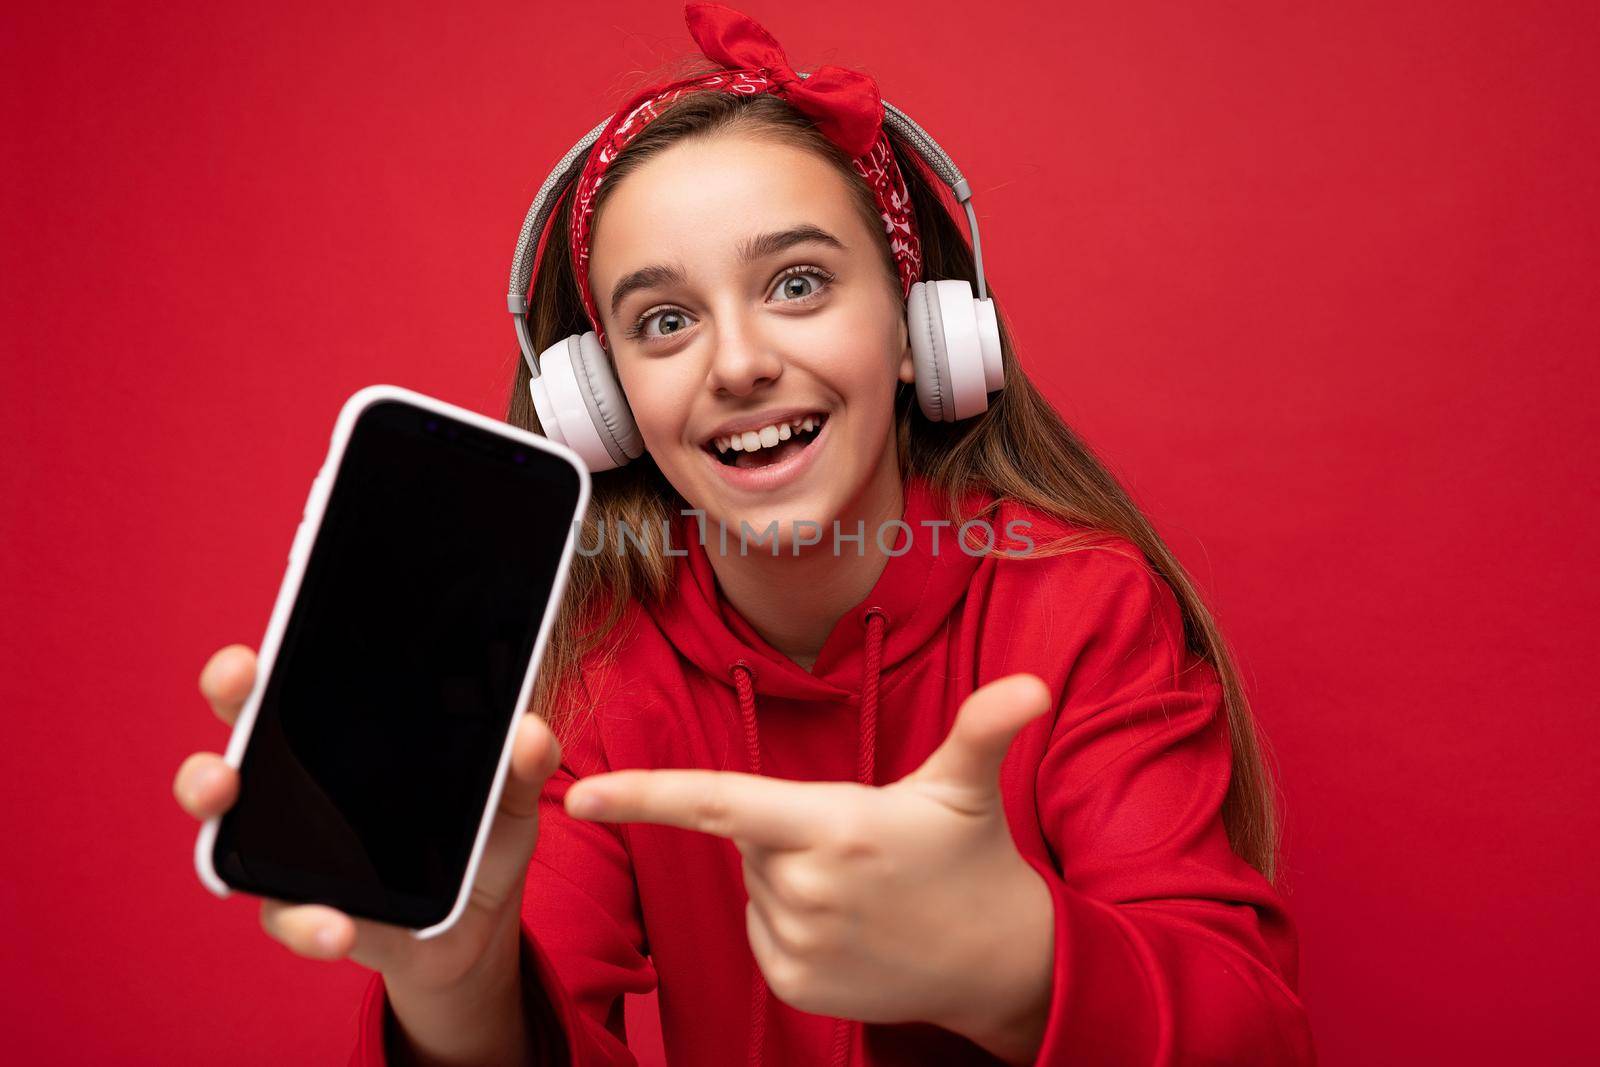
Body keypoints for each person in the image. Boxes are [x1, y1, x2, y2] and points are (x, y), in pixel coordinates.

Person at [173, 3, 1316, 1064]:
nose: (736, 362)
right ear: (603, 403)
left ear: (923, 329)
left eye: (800, 283)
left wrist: (1014, 958)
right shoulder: (596, 672)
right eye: (664, 320)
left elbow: (1256, 1032)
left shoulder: (1077, 603)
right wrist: (462, 988)